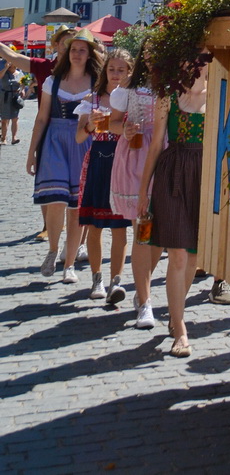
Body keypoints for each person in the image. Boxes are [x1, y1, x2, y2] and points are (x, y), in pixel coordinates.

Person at [137, 57, 210, 356]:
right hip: (174, 172)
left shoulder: (219, 93)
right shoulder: (168, 94)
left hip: (204, 173)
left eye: (205, 60)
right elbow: (156, 144)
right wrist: (144, 190)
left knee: (193, 254)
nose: (198, 65)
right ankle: (180, 327)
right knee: (178, 254)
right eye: (195, 58)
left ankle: (175, 312)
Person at [26, 31, 105, 282]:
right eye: (74, 49)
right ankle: (52, 250)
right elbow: (41, 118)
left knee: (77, 207)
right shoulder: (53, 81)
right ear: (67, 53)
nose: (77, 54)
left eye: (82, 50)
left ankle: (68, 264)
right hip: (55, 141)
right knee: (56, 200)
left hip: (83, 141)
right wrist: (31, 153)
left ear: (90, 54)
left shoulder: (97, 82)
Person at [108, 51, 163, 328]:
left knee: (160, 235)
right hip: (136, 159)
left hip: (166, 158)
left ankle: (144, 284)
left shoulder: (175, 84)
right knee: (144, 229)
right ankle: (145, 302)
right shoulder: (129, 87)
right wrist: (125, 129)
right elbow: (112, 122)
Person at [75, 48, 134, 303]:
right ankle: (97, 278)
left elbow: (139, 137)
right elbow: (79, 137)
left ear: (130, 72)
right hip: (99, 160)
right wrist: (90, 124)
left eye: (122, 70)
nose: (116, 74)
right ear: (105, 71)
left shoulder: (134, 99)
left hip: (122, 163)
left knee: (120, 226)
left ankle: (116, 281)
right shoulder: (92, 99)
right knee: (95, 225)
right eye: (112, 69)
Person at [0, 58, 24, 143]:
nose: (16, 65)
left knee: (15, 118)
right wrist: (6, 68)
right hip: (5, 97)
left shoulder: (19, 73)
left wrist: (23, 90)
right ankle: (4, 138)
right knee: (5, 119)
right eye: (14, 63)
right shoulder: (4, 72)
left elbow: (22, 84)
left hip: (15, 97)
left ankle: (14, 138)